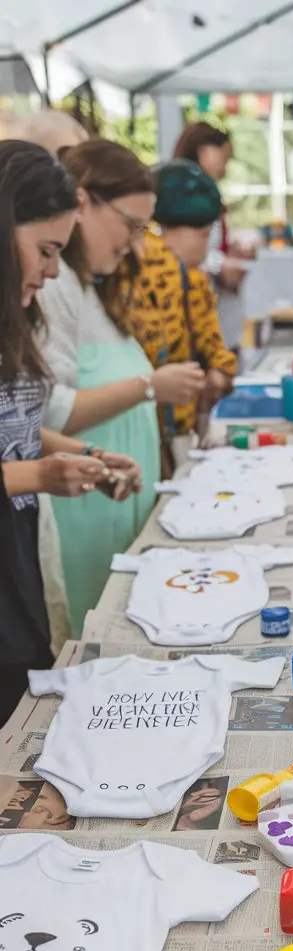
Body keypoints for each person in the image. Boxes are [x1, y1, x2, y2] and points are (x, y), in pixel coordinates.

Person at [36, 139, 205, 635]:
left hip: (110, 507)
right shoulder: (53, 283)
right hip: (82, 519)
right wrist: (149, 386)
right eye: (130, 224)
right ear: (83, 201)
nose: (134, 242)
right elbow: (48, 414)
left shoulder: (89, 284)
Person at [0, 140, 142, 726]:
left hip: (19, 549)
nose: (54, 268)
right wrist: (39, 474)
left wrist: (84, 455)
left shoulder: (17, 314)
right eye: (45, 250)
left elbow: (20, 430)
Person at [125, 160, 237, 473]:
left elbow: (213, 350)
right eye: (202, 237)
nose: (205, 250)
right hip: (152, 432)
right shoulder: (161, 275)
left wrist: (217, 371)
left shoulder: (191, 279)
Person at [173, 122, 249, 350]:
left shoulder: (206, 190)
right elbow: (184, 249)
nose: (225, 168)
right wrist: (221, 265)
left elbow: (211, 243)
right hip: (199, 313)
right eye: (223, 158)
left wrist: (232, 251)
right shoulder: (184, 194)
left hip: (220, 311)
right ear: (203, 151)